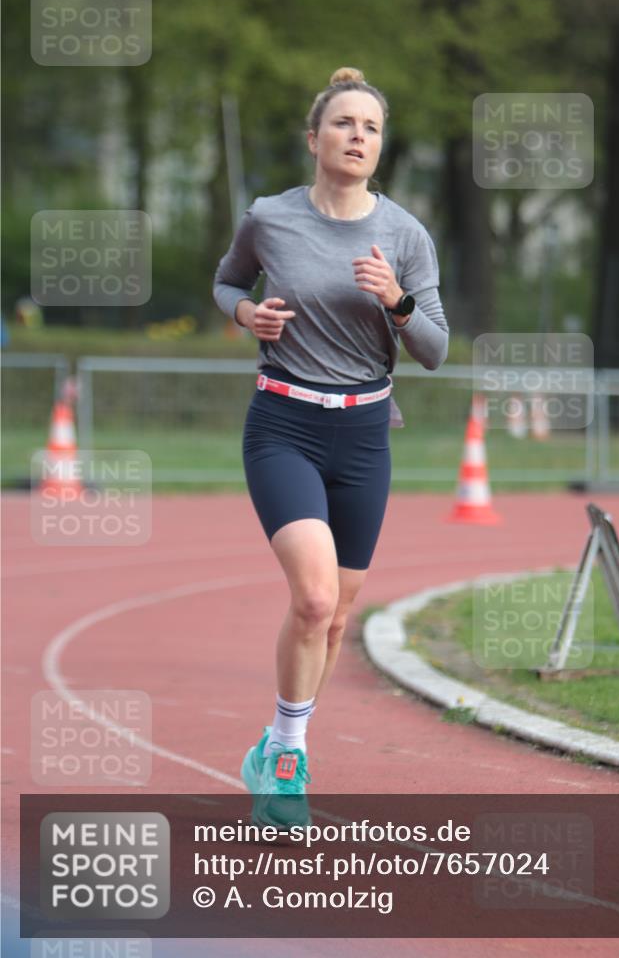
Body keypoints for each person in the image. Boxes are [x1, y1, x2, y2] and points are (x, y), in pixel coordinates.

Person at [212, 66, 448, 827]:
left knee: (337, 618)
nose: (357, 136)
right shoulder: (270, 218)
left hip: (364, 435)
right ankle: (287, 761)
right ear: (314, 138)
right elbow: (227, 282)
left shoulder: (404, 235)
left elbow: (435, 349)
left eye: (370, 128)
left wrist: (397, 301)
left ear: (380, 147)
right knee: (312, 599)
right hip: (284, 424)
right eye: (344, 123)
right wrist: (246, 315)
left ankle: (277, 743)